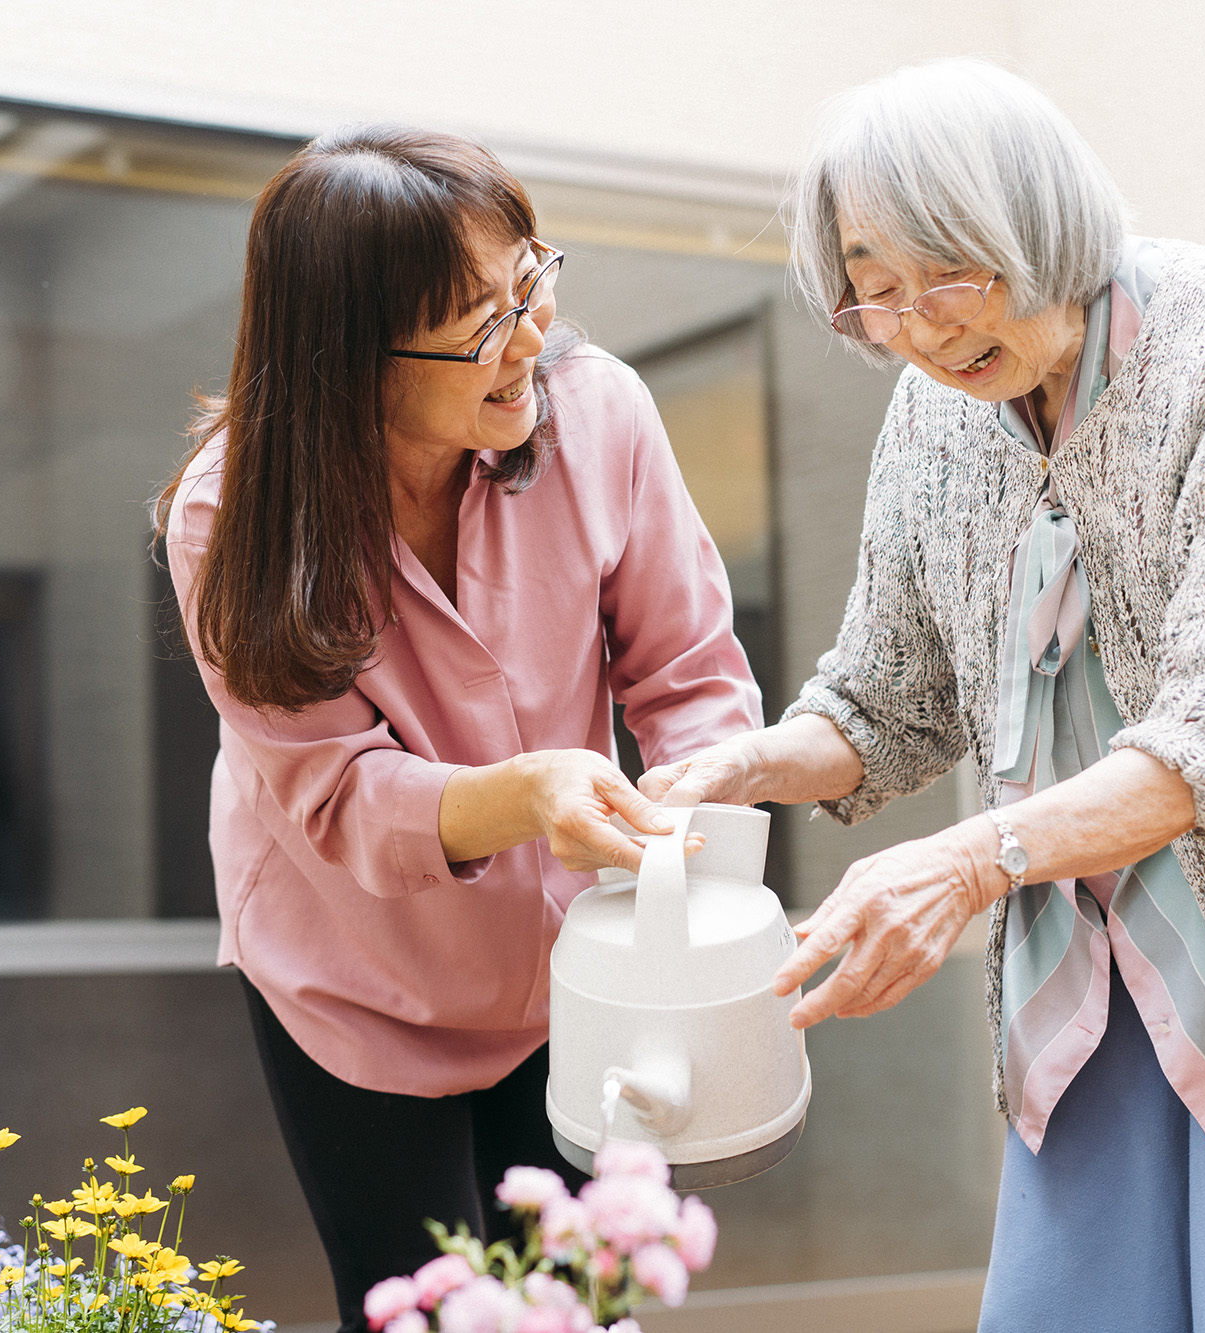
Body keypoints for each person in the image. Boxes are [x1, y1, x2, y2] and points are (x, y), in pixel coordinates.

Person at [642, 60, 1205, 1331]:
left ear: (1038, 221)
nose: (917, 324)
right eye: (873, 290)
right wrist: (753, 762)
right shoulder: (930, 416)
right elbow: (882, 697)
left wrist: (967, 863)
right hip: (1091, 944)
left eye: (950, 273)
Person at [158, 124, 761, 1331]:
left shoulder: (597, 416)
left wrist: (691, 842)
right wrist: (533, 795)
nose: (529, 336)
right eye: (479, 324)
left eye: (528, 282)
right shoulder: (232, 517)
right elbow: (335, 791)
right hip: (354, 978)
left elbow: (687, 668)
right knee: (418, 1313)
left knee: (577, 1303)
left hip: (569, 968)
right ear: (350, 360)